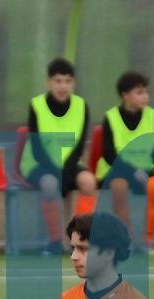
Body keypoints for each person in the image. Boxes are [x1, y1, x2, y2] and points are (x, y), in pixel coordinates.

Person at [20, 57, 98, 255]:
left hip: (69, 164)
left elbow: (79, 146)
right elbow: (37, 148)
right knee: (50, 185)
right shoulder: (37, 105)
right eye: (57, 81)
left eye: (67, 81)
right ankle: (54, 242)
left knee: (89, 182)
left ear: (74, 83)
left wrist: (66, 172)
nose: (62, 86)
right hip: (39, 164)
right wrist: (57, 173)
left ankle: (80, 238)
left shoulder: (81, 106)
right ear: (49, 82)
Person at [95, 71, 154, 253]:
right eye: (139, 92)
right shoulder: (111, 117)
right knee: (119, 186)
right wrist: (134, 171)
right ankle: (125, 239)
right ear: (125, 95)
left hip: (145, 169)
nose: (145, 96)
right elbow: (109, 154)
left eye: (146, 92)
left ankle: (147, 240)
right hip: (118, 169)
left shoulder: (152, 116)